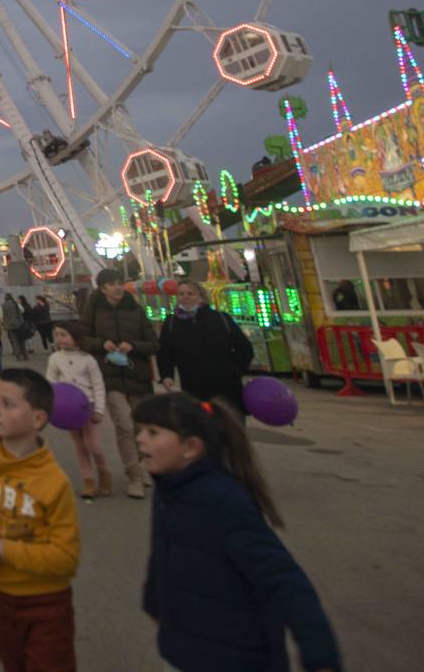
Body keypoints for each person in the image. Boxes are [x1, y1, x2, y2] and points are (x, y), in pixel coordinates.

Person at [135, 392, 340, 672]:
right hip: (183, 651)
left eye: (152, 432)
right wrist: (154, 602)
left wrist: (320, 657)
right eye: (140, 431)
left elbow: (283, 578)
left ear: (191, 448)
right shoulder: (169, 490)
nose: (140, 439)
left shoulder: (222, 500)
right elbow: (162, 552)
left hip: (237, 658)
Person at [0, 367, 80, 672]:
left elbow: (66, 559)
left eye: (7, 404)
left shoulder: (53, 482)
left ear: (38, 419)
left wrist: (0, 549)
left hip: (44, 603)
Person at [80, 267, 157, 499]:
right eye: (112, 284)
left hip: (137, 375)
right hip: (109, 376)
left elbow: (154, 343)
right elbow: (84, 339)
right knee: (124, 424)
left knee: (141, 426)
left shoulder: (136, 310)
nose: (117, 288)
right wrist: (102, 344)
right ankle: (134, 475)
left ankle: (139, 465)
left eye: (120, 283)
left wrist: (133, 345)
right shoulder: (93, 311)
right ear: (102, 288)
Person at [157, 279, 255, 417]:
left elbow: (244, 348)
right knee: (202, 428)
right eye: (181, 294)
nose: (185, 297)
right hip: (193, 386)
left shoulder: (220, 319)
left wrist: (235, 370)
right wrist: (166, 374)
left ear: (200, 296)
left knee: (230, 429)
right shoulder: (172, 323)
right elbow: (165, 352)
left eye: (190, 293)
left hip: (226, 387)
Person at [45, 320, 109, 501]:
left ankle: (103, 472)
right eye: (57, 335)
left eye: (64, 335)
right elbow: (50, 382)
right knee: (79, 445)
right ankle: (88, 480)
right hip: (67, 409)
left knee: (93, 444)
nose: (60, 338)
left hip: (87, 406)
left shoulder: (88, 360)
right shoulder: (55, 359)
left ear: (76, 337)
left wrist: (99, 409)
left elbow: (98, 385)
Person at [2, 292, 33, 361]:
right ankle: (25, 356)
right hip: (19, 324)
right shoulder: (15, 303)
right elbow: (22, 310)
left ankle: (18, 356)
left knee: (14, 341)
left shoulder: (3, 305)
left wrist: (5, 323)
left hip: (9, 326)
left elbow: (2, 316)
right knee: (22, 340)